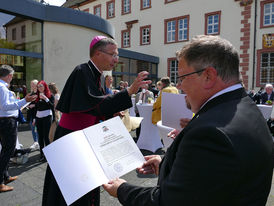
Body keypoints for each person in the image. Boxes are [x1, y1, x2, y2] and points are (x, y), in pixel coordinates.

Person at [103, 35, 274, 205]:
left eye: (182, 77)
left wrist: (121, 189)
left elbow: (167, 202)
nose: (179, 86)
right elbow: (207, 179)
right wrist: (165, 166)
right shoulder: (248, 109)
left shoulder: (210, 133)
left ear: (208, 76)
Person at [42, 36, 150, 206]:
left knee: (85, 185)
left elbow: (93, 107)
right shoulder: (82, 71)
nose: (116, 59)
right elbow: (94, 104)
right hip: (72, 140)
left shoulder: (95, 74)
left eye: (117, 55)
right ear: (98, 53)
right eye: (113, 54)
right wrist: (129, 91)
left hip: (82, 136)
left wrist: (109, 114)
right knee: (72, 187)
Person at [0, 65, 37, 192]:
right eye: (12, 76)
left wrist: (25, 101)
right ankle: (0, 182)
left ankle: (5, 176)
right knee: (8, 152)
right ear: (9, 75)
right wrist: (24, 100)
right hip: (6, 122)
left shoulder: (2, 87)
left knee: (5, 150)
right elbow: (5, 107)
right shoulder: (2, 88)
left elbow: (8, 106)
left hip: (5, 121)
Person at [34, 80, 55, 161]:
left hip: (47, 117)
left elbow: (52, 106)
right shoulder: (36, 96)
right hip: (38, 117)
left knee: (46, 136)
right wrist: (34, 118)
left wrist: (46, 99)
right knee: (40, 137)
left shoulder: (50, 96)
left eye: (41, 86)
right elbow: (36, 108)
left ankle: (48, 154)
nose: (39, 88)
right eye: (38, 86)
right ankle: (42, 154)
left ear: (44, 86)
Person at [27, 79, 39, 151]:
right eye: (31, 84)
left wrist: (34, 105)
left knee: (36, 129)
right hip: (31, 114)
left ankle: (38, 143)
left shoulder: (38, 93)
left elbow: (40, 104)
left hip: (36, 114)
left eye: (33, 84)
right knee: (33, 129)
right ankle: (35, 142)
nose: (31, 85)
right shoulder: (31, 93)